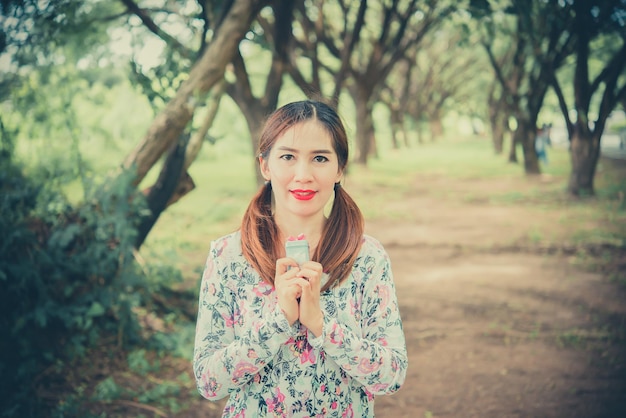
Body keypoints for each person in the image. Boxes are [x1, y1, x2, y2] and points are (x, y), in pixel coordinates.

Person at [193, 100, 408, 417]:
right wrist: (278, 319)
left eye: (320, 158)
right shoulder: (228, 256)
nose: (303, 175)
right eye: (288, 157)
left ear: (339, 169)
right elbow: (210, 383)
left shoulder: (367, 257)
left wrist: (322, 327)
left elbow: (392, 376)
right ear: (265, 165)